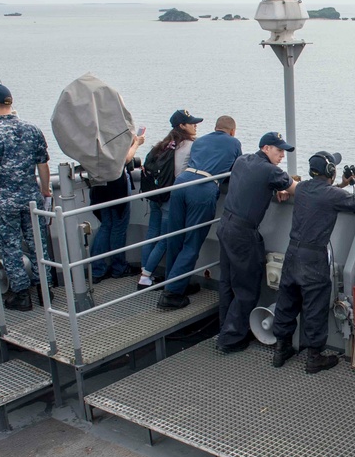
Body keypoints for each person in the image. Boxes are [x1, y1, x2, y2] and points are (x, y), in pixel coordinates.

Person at [270, 151, 355, 373]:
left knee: (287, 301)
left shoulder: (304, 188)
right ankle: (314, 357)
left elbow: (321, 194)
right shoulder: (332, 195)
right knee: (314, 306)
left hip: (293, 252)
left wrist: (342, 185)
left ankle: (280, 350)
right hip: (313, 258)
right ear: (330, 171)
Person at [215, 131, 297, 353]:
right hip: (243, 233)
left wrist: (275, 187)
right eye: (278, 150)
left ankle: (225, 328)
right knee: (246, 288)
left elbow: (254, 183)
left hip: (225, 225)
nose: (282, 155)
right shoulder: (270, 171)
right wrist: (283, 186)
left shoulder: (242, 161)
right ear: (265, 148)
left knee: (227, 283)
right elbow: (297, 190)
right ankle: (230, 340)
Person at [0, 83, 52, 312]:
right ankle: (45, 291)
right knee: (39, 244)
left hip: (4, 202)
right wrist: (45, 190)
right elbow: (43, 164)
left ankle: (21, 295)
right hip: (31, 199)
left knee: (11, 247)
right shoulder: (32, 129)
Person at [157, 115, 242, 310]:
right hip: (203, 187)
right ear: (232, 131)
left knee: (175, 238)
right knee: (192, 242)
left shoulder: (200, 140)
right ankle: (171, 294)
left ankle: (177, 282)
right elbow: (236, 169)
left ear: (215, 128)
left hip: (182, 183)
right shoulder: (234, 142)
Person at [138, 109, 203, 288]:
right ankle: (145, 277)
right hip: (170, 197)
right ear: (182, 126)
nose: (196, 125)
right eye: (192, 123)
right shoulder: (191, 146)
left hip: (156, 194)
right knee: (166, 239)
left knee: (152, 234)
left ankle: (145, 269)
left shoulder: (165, 144)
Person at [90, 131, 144, 282]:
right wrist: (136, 144)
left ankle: (97, 269)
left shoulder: (94, 136)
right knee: (118, 227)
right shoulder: (113, 131)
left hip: (99, 184)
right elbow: (125, 159)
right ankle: (118, 267)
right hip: (116, 185)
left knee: (106, 225)